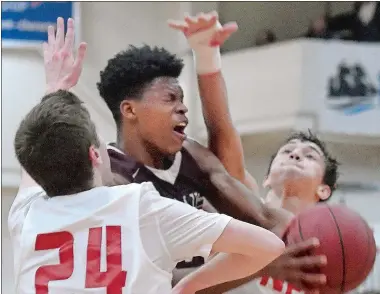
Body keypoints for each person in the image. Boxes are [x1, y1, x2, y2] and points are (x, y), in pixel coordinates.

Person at [45, 16, 328, 293]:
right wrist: (262, 264)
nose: (182, 108)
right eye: (170, 99)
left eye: (182, 98)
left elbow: (261, 215)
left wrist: (320, 245)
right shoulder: (110, 180)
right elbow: (163, 281)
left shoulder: (190, 155)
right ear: (130, 110)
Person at [9, 87, 285, 293]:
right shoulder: (139, 206)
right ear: (94, 154)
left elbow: (35, 159)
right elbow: (268, 246)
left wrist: (54, 88)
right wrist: (186, 288)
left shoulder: (25, 215)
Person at [182, 131, 339, 294]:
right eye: (287, 151)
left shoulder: (323, 250)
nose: (295, 154)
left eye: (310, 156)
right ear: (267, 178)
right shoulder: (240, 209)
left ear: (324, 190)